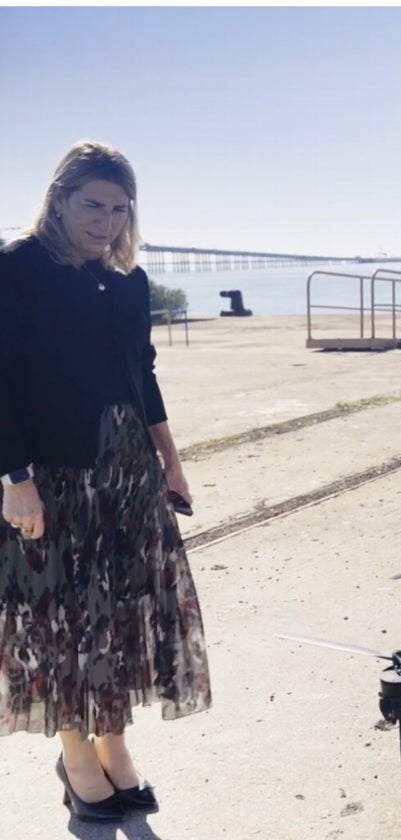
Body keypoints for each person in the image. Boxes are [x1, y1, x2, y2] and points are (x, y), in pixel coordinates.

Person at [0, 141, 212, 821]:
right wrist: (14, 479)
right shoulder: (16, 268)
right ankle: (74, 751)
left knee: (122, 613)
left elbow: (141, 377)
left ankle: (115, 744)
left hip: (126, 472)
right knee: (58, 616)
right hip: (51, 474)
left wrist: (170, 460)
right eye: (93, 205)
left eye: (120, 209)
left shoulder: (129, 283)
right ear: (58, 199)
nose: (107, 221)